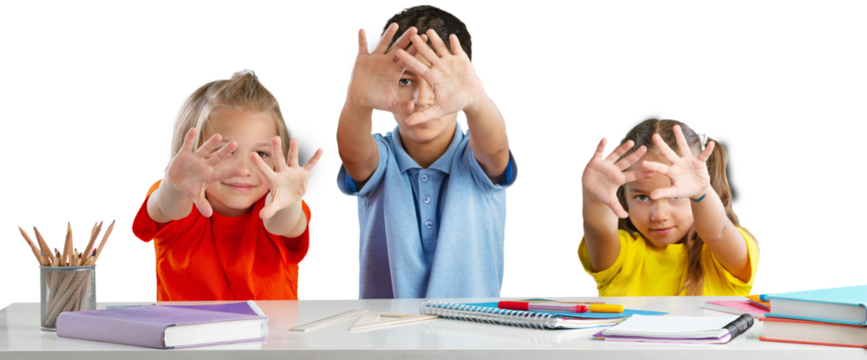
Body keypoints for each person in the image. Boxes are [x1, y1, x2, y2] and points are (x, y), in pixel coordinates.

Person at [335, 5, 519, 298]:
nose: (422, 98)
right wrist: (357, 101)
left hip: (472, 324)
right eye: (405, 80)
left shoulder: (474, 153)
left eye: (437, 82)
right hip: (387, 326)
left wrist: (477, 100)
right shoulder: (382, 155)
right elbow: (353, 156)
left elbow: (495, 148)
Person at [130, 67, 324, 301]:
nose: (244, 169)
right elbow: (165, 207)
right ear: (188, 155)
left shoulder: (278, 205)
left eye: (262, 154)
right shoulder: (177, 195)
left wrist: (289, 203)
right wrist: (173, 186)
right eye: (226, 151)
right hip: (185, 325)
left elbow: (285, 224)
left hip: (270, 326)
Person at [577, 118, 761, 296]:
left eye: (675, 196)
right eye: (642, 197)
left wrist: (702, 192)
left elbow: (717, 232)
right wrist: (593, 197)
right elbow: (598, 231)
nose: (659, 215)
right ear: (624, 196)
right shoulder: (620, 255)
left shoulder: (725, 252)